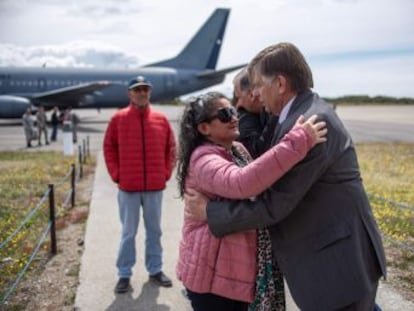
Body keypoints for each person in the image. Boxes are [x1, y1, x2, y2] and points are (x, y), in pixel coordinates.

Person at [186, 42, 386, 311]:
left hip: (337, 264)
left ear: (279, 84)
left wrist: (211, 212)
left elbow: (274, 204)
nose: (254, 93)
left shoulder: (312, 124)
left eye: (258, 84)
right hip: (327, 257)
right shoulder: (290, 118)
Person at [177, 91, 327, 311]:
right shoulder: (204, 158)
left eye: (234, 111)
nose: (235, 117)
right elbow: (242, 183)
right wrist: (298, 141)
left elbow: (260, 183)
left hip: (231, 274)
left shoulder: (237, 150)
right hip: (212, 278)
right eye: (225, 114)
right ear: (204, 128)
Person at [103, 75, 176, 294]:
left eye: (145, 89)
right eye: (137, 90)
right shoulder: (118, 119)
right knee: (128, 233)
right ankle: (124, 274)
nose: (142, 93)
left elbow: (171, 149)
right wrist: (117, 174)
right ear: (130, 94)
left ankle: (155, 270)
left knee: (155, 231)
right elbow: (109, 148)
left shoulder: (161, 119)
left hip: (154, 187)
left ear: (150, 93)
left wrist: (164, 173)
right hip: (128, 188)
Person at [232, 68, 277, 158]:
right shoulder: (248, 117)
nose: (238, 105)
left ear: (251, 94)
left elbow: (255, 154)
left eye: (238, 97)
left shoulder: (274, 112)